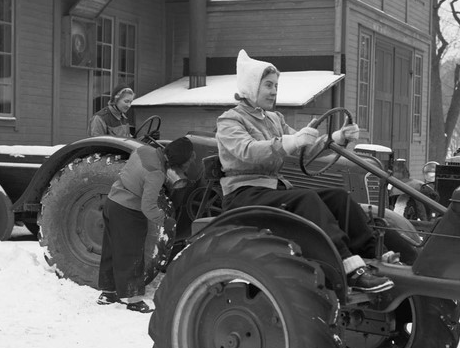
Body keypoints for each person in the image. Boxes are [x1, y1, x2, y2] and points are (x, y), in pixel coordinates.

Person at [215, 50, 392, 293]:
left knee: (339, 197)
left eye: (276, 85)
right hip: (244, 194)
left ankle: (374, 255)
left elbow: (303, 148)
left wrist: (337, 137)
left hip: (272, 190)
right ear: (250, 87)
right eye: (268, 85)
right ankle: (347, 267)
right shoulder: (230, 121)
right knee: (307, 199)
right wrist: (291, 141)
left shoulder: (274, 119)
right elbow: (247, 151)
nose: (274, 91)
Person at [97, 136, 195, 312]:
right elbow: (148, 207)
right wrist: (165, 220)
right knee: (132, 254)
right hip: (128, 211)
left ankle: (107, 293)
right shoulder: (156, 174)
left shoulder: (143, 150)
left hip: (112, 202)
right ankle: (134, 300)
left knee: (111, 249)